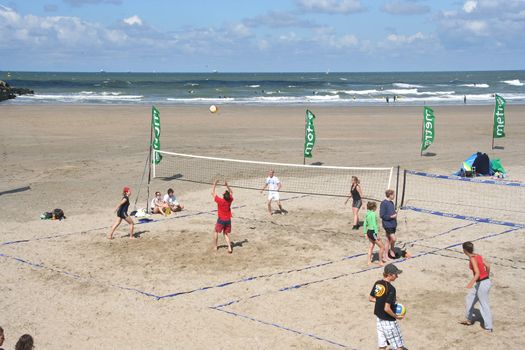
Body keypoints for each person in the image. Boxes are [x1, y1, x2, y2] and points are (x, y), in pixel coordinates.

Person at [369, 264, 406, 350]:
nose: (397, 276)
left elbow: (371, 298)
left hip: (379, 320)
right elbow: (387, 308)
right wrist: (396, 316)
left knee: (382, 346)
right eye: (395, 274)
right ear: (389, 275)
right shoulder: (391, 289)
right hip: (389, 322)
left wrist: (381, 301)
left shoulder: (378, 283)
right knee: (399, 347)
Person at [459, 241, 493, 332]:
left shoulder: (472, 259)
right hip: (483, 282)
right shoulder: (478, 255)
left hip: (482, 283)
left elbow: (477, 273)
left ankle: (488, 327)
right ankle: (469, 320)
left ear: (464, 250)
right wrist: (487, 277)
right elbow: (488, 266)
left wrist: (471, 283)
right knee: (469, 298)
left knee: (483, 305)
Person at [212, 179, 233, 253]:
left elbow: (212, 193)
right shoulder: (230, 200)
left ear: (224, 196)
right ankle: (229, 248)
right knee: (225, 234)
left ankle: (215, 246)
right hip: (228, 220)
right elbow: (231, 192)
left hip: (221, 220)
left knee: (215, 231)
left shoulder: (220, 201)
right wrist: (227, 185)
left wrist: (214, 183)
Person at [363, 201, 385, 266]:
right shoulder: (373, 214)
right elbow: (374, 225)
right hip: (373, 232)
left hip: (368, 231)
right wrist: (376, 234)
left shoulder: (367, 213)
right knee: (382, 247)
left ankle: (368, 261)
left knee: (371, 247)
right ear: (374, 208)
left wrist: (365, 233)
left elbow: (365, 224)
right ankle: (380, 261)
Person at [380, 189, 398, 260]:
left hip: (393, 224)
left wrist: (395, 214)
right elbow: (382, 215)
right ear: (390, 195)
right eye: (393, 195)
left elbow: (392, 212)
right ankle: (391, 250)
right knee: (393, 239)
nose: (394, 196)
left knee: (388, 240)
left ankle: (386, 255)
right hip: (387, 224)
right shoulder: (384, 203)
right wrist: (391, 216)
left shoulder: (391, 203)